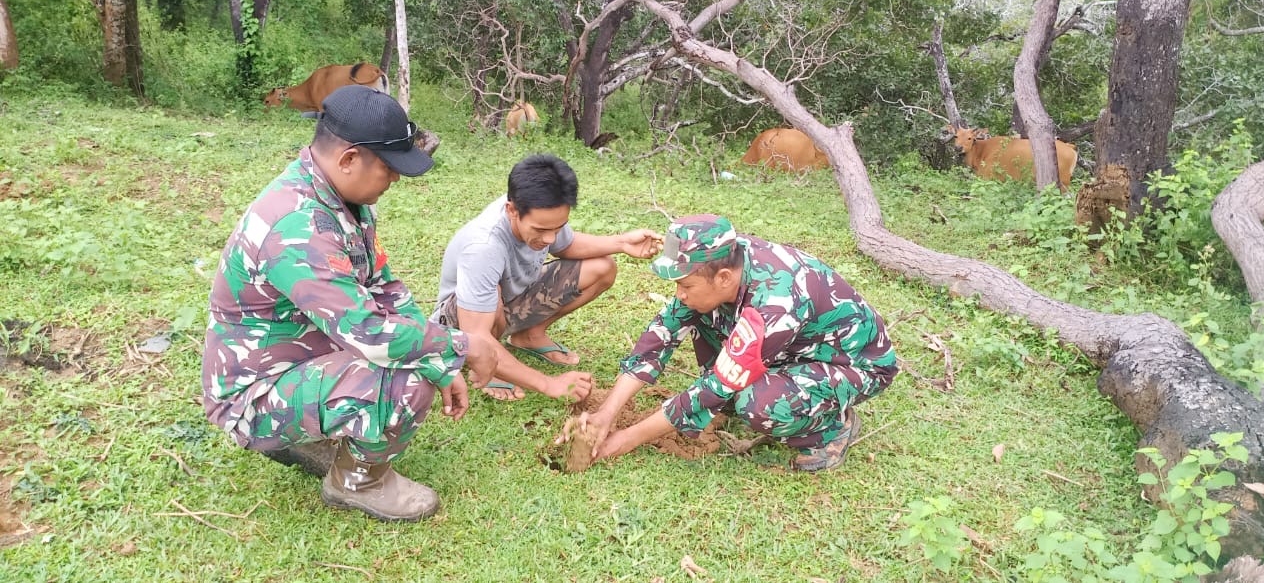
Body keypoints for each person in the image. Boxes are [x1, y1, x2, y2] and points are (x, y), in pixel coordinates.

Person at [201, 85, 498, 523]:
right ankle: (357, 482)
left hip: (301, 355)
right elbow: (372, 333)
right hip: (254, 393)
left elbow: (384, 289)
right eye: (389, 167)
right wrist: (459, 348)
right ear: (348, 159)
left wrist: (441, 359)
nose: (395, 178)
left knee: (419, 355)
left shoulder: (344, 200)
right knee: (406, 379)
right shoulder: (298, 227)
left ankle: (315, 431)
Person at [564, 214, 898, 472]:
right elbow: (661, 335)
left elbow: (718, 384)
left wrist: (624, 440)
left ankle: (832, 429)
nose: (679, 294)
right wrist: (608, 413)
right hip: (793, 349)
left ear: (723, 278)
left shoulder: (775, 304)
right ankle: (753, 395)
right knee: (696, 313)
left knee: (759, 403)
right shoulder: (721, 260)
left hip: (854, 366)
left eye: (686, 285)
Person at [432, 154, 661, 402]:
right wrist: (548, 384)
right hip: (462, 322)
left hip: (511, 299)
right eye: (541, 230)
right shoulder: (484, 246)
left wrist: (622, 242)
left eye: (558, 227)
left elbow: (568, 245)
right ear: (512, 211)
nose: (550, 239)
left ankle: (529, 336)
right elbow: (475, 333)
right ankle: (488, 365)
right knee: (493, 296)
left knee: (602, 268)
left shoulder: (538, 209)